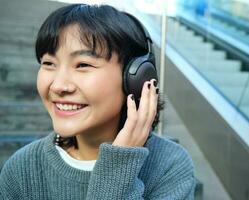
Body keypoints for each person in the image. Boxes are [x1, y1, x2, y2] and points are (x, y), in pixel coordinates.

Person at [0, 4, 196, 199]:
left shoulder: (169, 166)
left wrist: (119, 165)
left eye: (83, 65)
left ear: (137, 79)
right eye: (49, 64)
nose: (58, 85)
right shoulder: (22, 169)